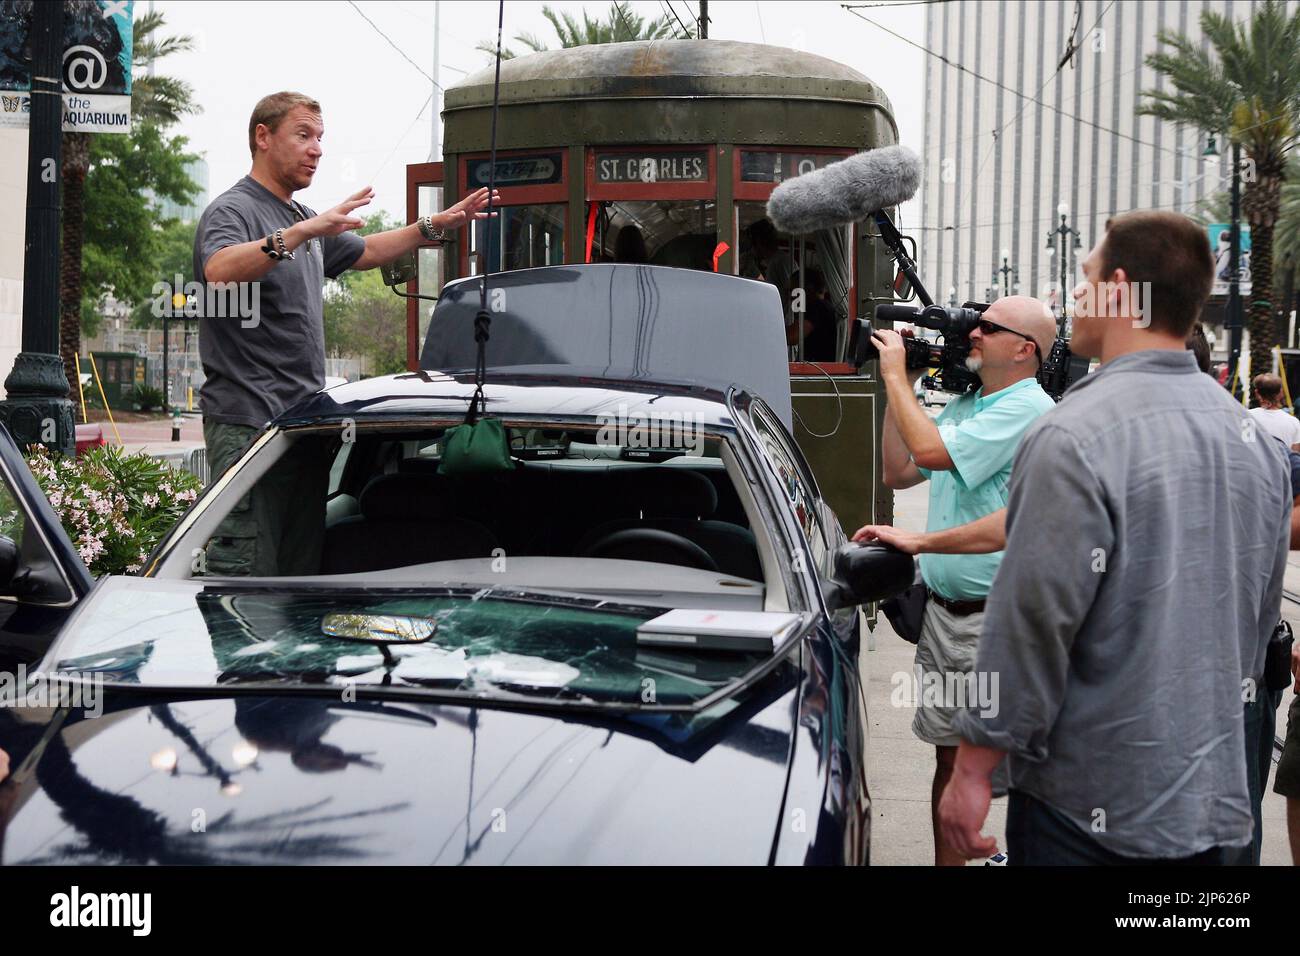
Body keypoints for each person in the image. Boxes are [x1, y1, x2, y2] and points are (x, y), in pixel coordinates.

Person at [938, 210, 1292, 865]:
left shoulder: (1070, 435)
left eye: (1086, 278)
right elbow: (1256, 620)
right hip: (1218, 810)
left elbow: (1031, 625)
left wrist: (972, 769)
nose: (1075, 297)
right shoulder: (1254, 444)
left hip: (1089, 812)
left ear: (1119, 289)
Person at [194, 91, 498, 576]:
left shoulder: (301, 219)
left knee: (298, 579)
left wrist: (432, 226)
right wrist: (301, 233)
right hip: (250, 428)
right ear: (263, 137)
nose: (316, 149)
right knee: (246, 583)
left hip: (303, 429)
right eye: (304, 135)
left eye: (320, 138)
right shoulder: (234, 211)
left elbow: (368, 251)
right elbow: (220, 270)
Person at [858, 295, 1057, 866]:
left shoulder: (1024, 408)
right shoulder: (972, 404)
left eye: (988, 327)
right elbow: (900, 469)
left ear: (1025, 350)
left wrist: (895, 373)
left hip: (995, 619)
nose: (973, 333)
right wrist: (908, 385)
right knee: (949, 760)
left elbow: (928, 450)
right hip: (946, 615)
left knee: (1000, 768)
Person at [787, 268, 838, 362]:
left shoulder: (817, 307)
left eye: (793, 290)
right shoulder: (823, 306)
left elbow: (794, 336)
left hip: (817, 370)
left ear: (808, 288)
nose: (790, 296)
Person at [1250, 373, 1300, 451]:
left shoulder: (1246, 416)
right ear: (1281, 393)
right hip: (1281, 463)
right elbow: (1295, 456)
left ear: (1257, 393)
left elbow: (1243, 448)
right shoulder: (1294, 422)